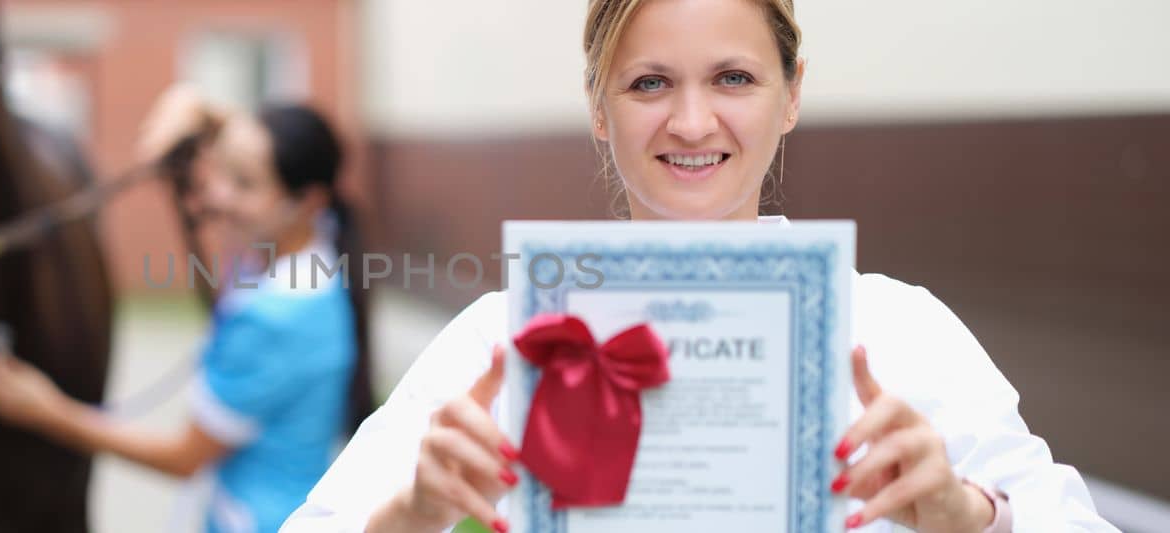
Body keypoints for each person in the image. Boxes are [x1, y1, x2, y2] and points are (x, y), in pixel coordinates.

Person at [280, 0, 1116, 532]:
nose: (690, 120)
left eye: (734, 77)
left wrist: (968, 514)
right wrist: (410, 516)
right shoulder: (502, 344)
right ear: (598, 110)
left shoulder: (897, 331)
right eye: (648, 83)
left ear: (790, 95)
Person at [0, 88, 375, 533]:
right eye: (224, 173)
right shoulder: (313, 248)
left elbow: (184, 458)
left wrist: (48, 412)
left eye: (243, 183)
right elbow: (259, 153)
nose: (218, 196)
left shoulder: (277, 319)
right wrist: (206, 114)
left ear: (307, 201)